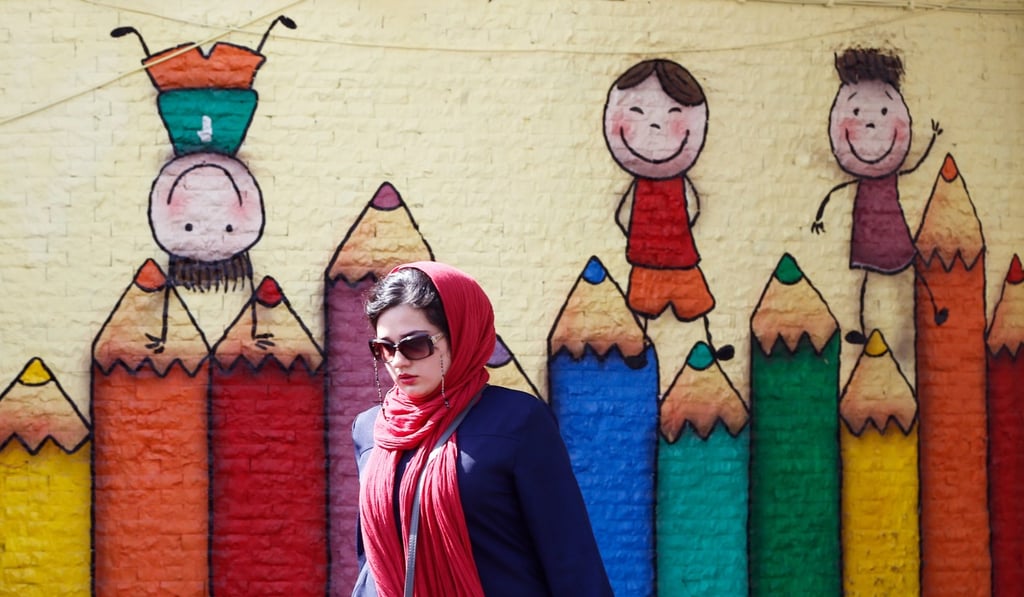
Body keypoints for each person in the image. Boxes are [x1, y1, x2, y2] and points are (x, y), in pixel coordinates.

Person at [351, 261, 613, 597]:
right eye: (385, 348)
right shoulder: (369, 429)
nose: (399, 361)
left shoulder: (518, 421)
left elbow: (570, 558)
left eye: (415, 345)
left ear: (460, 334)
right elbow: (369, 558)